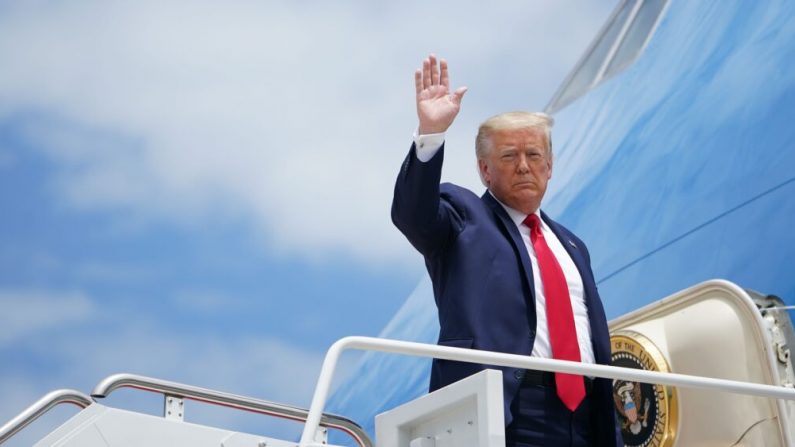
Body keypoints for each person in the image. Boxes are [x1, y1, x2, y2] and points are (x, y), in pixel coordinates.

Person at [391, 54, 621, 446]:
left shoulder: (571, 245)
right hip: (507, 406)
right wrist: (430, 134)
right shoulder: (465, 215)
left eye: (534, 156)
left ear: (550, 167)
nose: (524, 167)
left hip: (585, 414)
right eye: (509, 157)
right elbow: (413, 215)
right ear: (485, 170)